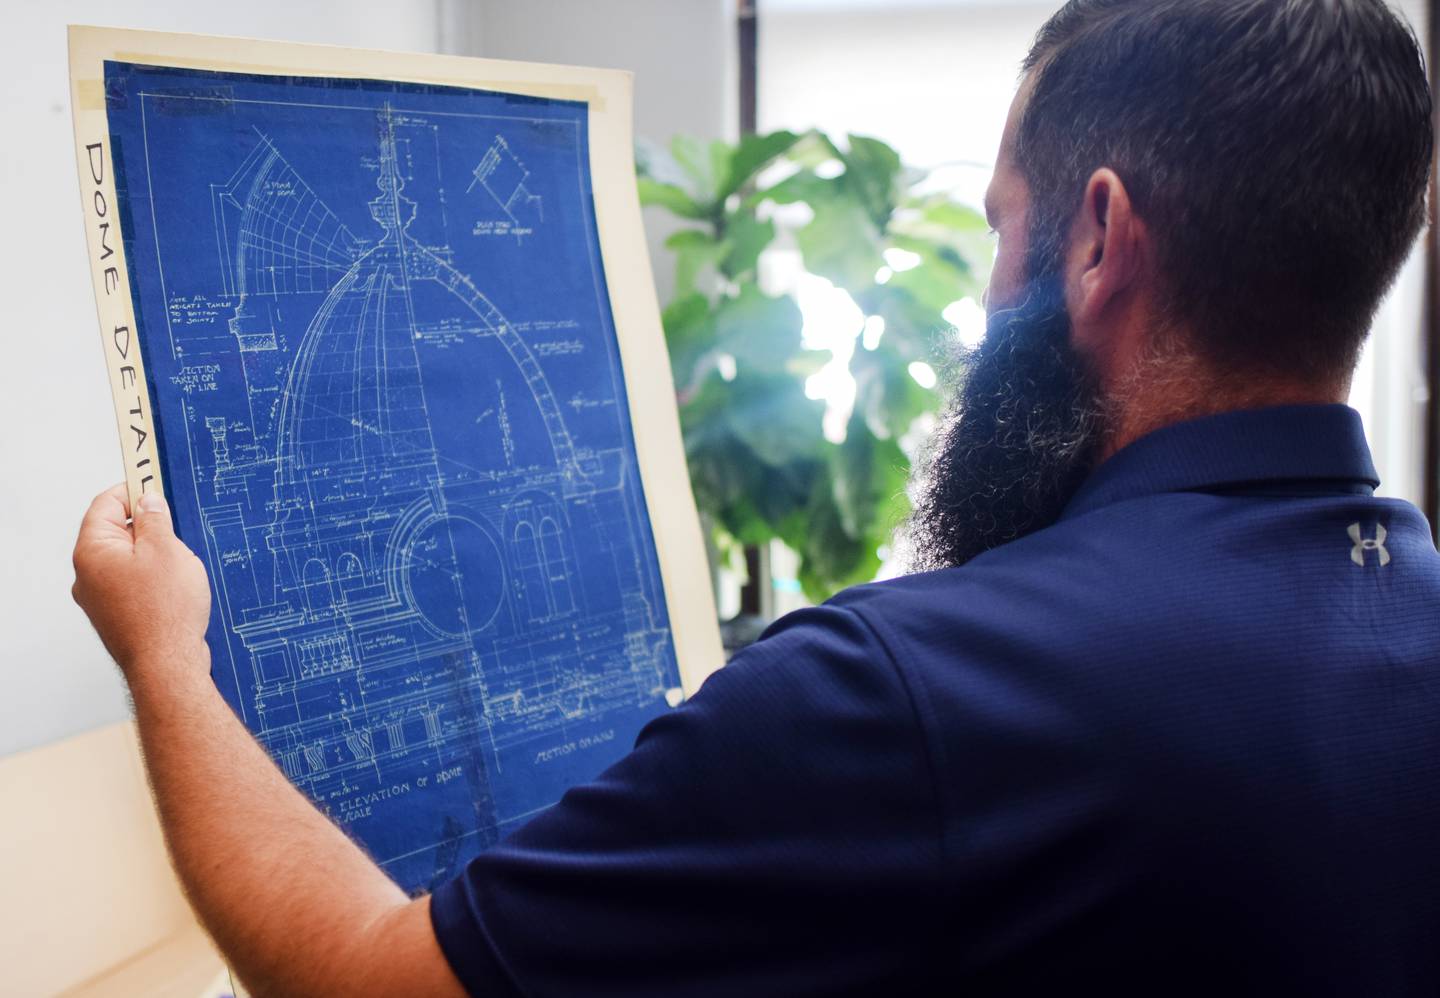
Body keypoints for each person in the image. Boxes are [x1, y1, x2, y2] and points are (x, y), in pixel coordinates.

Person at [71, 0, 1439, 993]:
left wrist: (165, 654)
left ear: (1096, 240)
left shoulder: (904, 698)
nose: (980, 294)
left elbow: (368, 984)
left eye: (1001, 225)